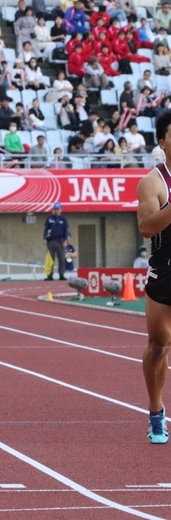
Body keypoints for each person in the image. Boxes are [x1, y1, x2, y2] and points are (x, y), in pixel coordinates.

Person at [136, 110, 171, 444]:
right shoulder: (153, 182)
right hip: (167, 274)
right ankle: (156, 412)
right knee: (159, 346)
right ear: (162, 142)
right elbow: (147, 226)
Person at [43, 202, 69, 281]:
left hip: (60, 241)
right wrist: (44, 238)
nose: (57, 211)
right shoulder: (50, 219)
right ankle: (49, 275)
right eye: (55, 209)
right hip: (51, 241)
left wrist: (65, 240)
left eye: (58, 209)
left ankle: (61, 275)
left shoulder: (64, 219)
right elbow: (46, 229)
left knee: (61, 259)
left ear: (61, 209)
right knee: (51, 259)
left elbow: (66, 231)